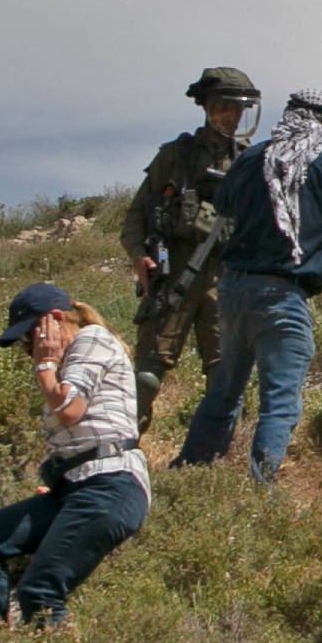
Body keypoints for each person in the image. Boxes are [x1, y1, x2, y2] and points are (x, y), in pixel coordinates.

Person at [170, 90, 322, 483]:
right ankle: (263, 484)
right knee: (280, 400)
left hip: (232, 291)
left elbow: (235, 206)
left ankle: (189, 474)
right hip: (281, 297)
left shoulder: (251, 159)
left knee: (224, 391)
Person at [0, 283, 149, 637]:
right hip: (78, 487)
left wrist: (45, 365)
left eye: (28, 338)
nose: (26, 350)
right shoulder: (69, 361)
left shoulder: (91, 339)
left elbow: (70, 410)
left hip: (112, 485)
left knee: (40, 592)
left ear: (55, 321)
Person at [120, 67, 261, 433]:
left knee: (226, 373)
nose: (232, 118)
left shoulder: (249, 161)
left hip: (227, 279)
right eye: (225, 108)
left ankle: (217, 452)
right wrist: (139, 255)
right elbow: (136, 213)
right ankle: (120, 446)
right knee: (147, 374)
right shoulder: (176, 157)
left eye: (238, 110)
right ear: (208, 107)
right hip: (176, 274)